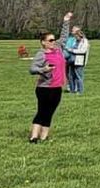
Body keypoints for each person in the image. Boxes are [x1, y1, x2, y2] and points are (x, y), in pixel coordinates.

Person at [27, 12, 74, 142]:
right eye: (51, 40)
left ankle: (44, 137)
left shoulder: (58, 49)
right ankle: (34, 137)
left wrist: (66, 21)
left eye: (54, 40)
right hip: (44, 88)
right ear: (43, 42)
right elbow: (32, 69)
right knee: (42, 111)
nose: (54, 42)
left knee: (50, 112)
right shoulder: (41, 54)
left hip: (57, 87)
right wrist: (43, 69)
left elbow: (64, 37)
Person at [67, 28, 90, 94]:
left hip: (79, 61)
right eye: (75, 36)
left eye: (77, 36)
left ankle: (80, 91)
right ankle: (72, 90)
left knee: (78, 76)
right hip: (72, 60)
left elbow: (83, 51)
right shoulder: (75, 41)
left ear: (80, 36)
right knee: (71, 76)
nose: (76, 38)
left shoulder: (84, 41)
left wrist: (72, 50)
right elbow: (72, 47)